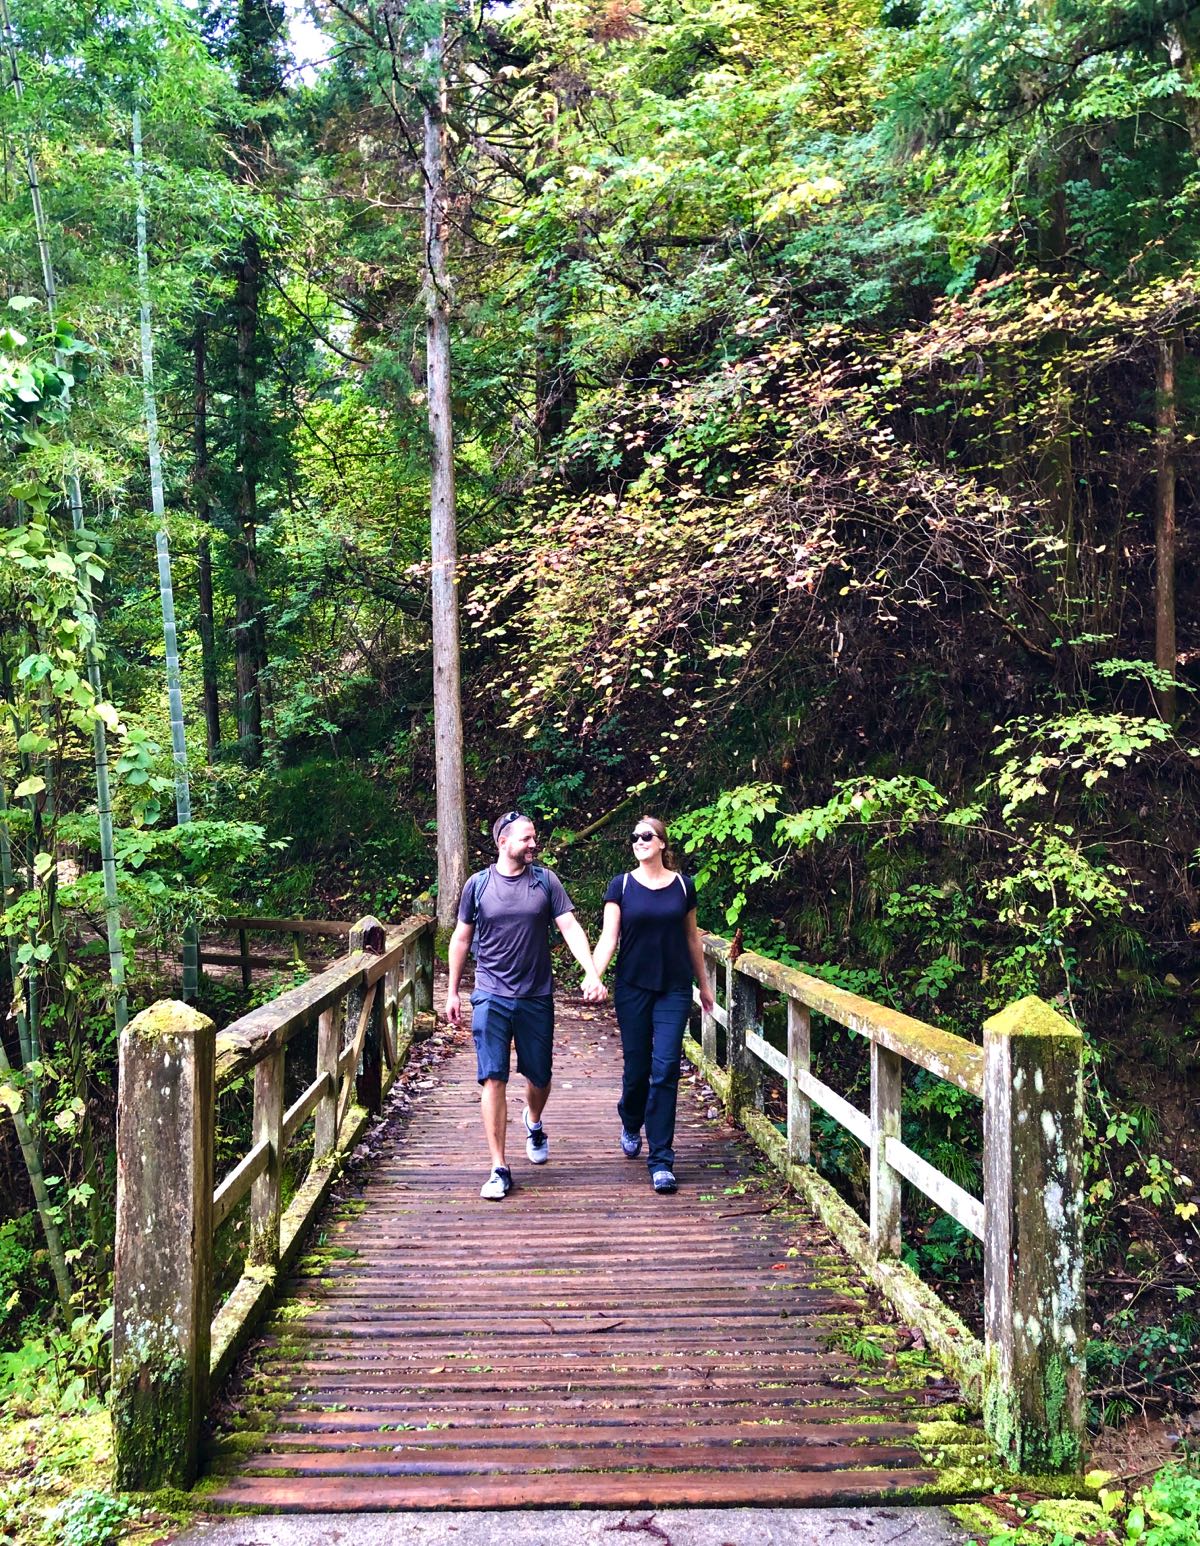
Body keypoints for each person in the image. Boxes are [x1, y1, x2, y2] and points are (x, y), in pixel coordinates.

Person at [446, 810, 607, 1201]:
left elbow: (569, 926)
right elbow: (462, 939)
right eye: (526, 838)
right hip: (490, 993)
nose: (534, 844)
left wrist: (591, 972)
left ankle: (533, 1121)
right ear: (503, 842)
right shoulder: (478, 885)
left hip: (535, 994)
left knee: (539, 1076)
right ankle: (499, 1167)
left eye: (535, 837)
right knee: (493, 1076)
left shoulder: (546, 881)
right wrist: (452, 991)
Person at [593, 815, 714, 1193]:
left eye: (647, 836)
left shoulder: (683, 886)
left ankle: (661, 1159)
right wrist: (594, 975)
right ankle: (631, 1119)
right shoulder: (622, 886)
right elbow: (608, 938)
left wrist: (705, 986)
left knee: (665, 1070)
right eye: (634, 836)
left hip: (674, 988)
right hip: (632, 988)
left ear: (662, 843)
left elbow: (692, 939)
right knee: (637, 1069)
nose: (639, 841)